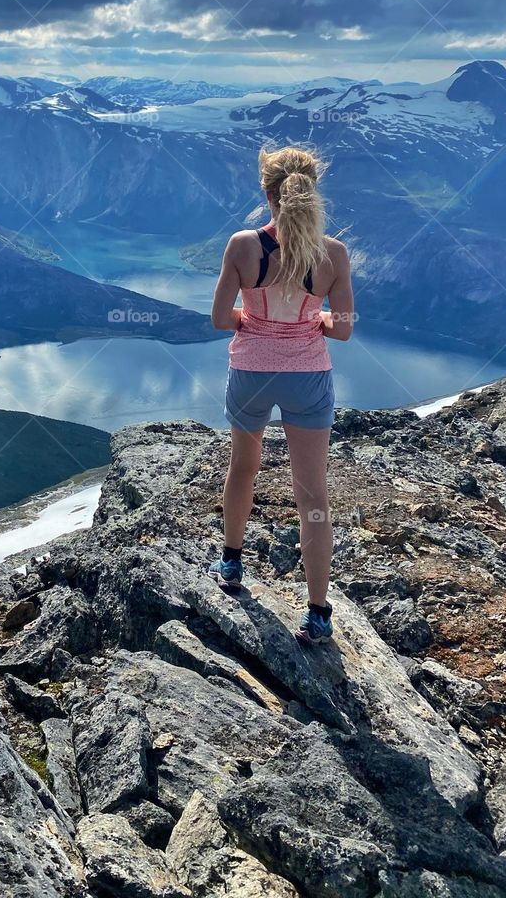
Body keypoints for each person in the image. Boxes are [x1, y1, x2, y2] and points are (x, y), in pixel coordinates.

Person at [208, 146, 354, 645]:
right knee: (312, 493)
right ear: (311, 192)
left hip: (250, 369)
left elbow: (220, 318)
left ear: (266, 193)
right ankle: (317, 611)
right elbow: (345, 330)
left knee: (243, 467)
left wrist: (252, 321)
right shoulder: (333, 253)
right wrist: (316, 319)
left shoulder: (243, 245)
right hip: (308, 377)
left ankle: (230, 563)